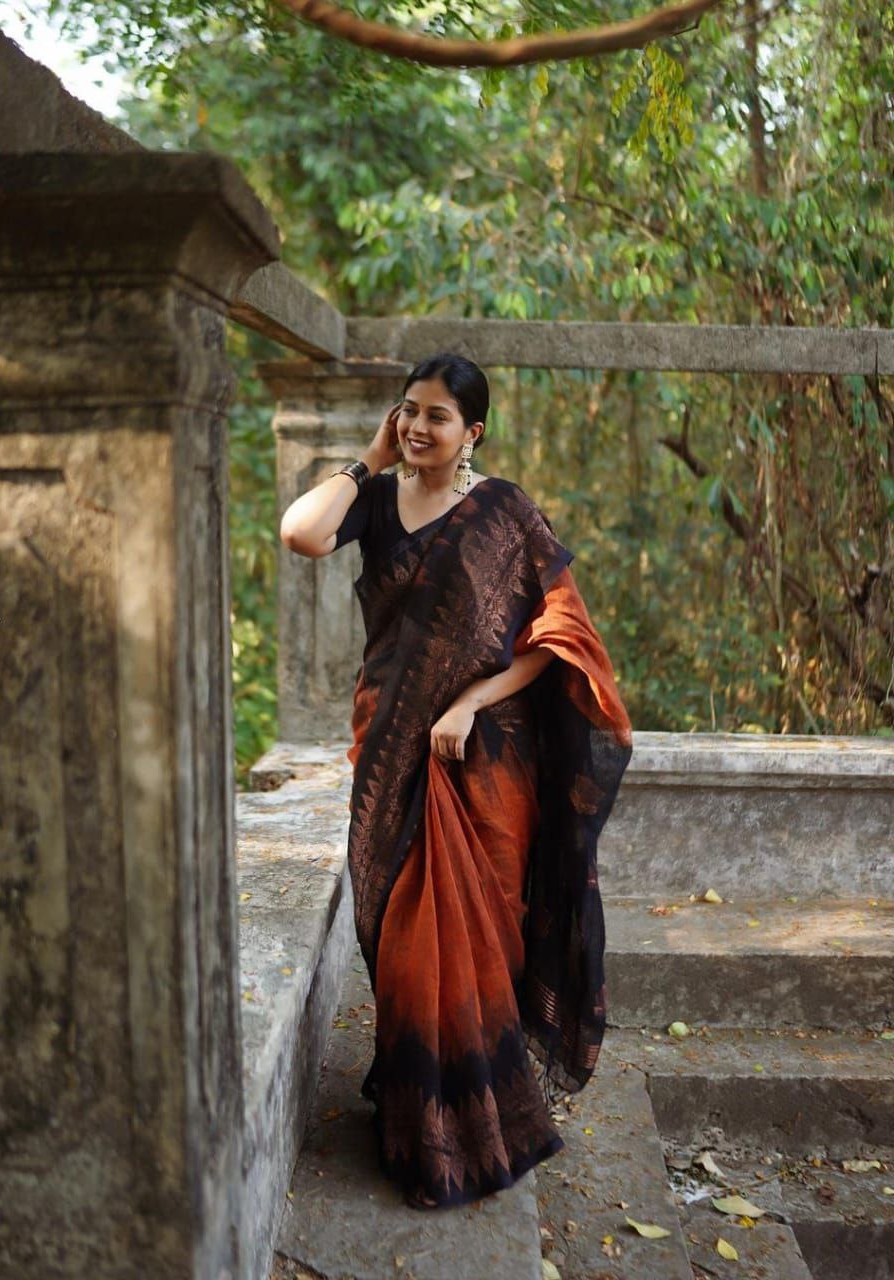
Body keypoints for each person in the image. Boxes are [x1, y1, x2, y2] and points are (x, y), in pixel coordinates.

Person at [279, 352, 633, 1211]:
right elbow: (300, 532)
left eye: (436, 416)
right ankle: (415, 1117)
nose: (416, 428)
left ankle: (470, 1130)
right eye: (407, 411)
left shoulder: (504, 512)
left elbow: (561, 634)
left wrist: (473, 699)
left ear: (472, 432)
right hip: (387, 743)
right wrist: (366, 458)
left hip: (481, 760)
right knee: (397, 935)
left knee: (469, 936)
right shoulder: (373, 500)